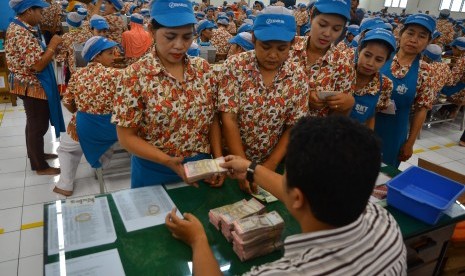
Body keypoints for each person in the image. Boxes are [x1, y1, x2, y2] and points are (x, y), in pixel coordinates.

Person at [165, 115, 407, 275]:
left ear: (298, 197)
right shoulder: (384, 222)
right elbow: (299, 192)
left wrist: (198, 240)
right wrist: (251, 169)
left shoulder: (288, 272)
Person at [112, 0, 224, 188]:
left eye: (187, 37)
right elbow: (126, 137)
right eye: (170, 37)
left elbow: (212, 119)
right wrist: (166, 160)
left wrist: (218, 161)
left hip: (201, 168)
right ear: (152, 31)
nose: (179, 46)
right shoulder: (134, 76)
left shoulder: (203, 69)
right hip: (154, 170)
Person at [218, 6, 309, 193]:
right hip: (232, 159)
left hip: (271, 161)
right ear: (253, 39)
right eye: (265, 47)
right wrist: (243, 166)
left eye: (282, 48)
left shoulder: (297, 76)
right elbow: (229, 118)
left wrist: (268, 166)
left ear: (292, 43)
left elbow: (294, 125)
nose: (273, 55)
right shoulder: (235, 66)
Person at [54, 36, 121, 196]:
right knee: (108, 144)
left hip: (84, 128)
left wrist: (81, 112)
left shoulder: (77, 75)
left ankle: (65, 185)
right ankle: (99, 167)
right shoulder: (118, 75)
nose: (115, 57)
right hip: (112, 129)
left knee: (66, 149)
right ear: (97, 55)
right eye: (110, 53)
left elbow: (68, 102)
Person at [6, 0, 65, 175]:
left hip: (31, 82)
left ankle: (36, 154)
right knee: (38, 125)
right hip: (30, 85)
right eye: (39, 11)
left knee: (33, 124)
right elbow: (38, 65)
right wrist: (53, 45)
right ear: (28, 10)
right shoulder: (21, 33)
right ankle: (39, 166)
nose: (42, 15)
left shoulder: (26, 28)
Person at [374, 14, 436, 168]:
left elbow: (422, 109)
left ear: (428, 42)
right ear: (400, 34)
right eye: (410, 33)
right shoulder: (381, 57)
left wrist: (410, 143)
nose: (414, 40)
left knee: (383, 176)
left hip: (394, 133)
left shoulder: (425, 71)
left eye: (422, 36)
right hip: (365, 122)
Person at [290, 0, 355, 118]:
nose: (327, 33)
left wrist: (345, 104)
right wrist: (304, 95)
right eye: (322, 25)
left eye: (336, 29)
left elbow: (338, 117)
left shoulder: (343, 65)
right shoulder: (288, 47)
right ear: (311, 17)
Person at [349, 28, 395, 128]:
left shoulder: (385, 85)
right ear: (359, 50)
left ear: (386, 61)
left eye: (378, 60)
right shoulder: (342, 72)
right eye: (367, 55)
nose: (370, 63)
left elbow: (371, 116)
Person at [55, 12, 92, 78]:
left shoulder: (66, 37)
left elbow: (62, 56)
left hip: (74, 69)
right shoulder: (89, 34)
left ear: (68, 24)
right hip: (88, 68)